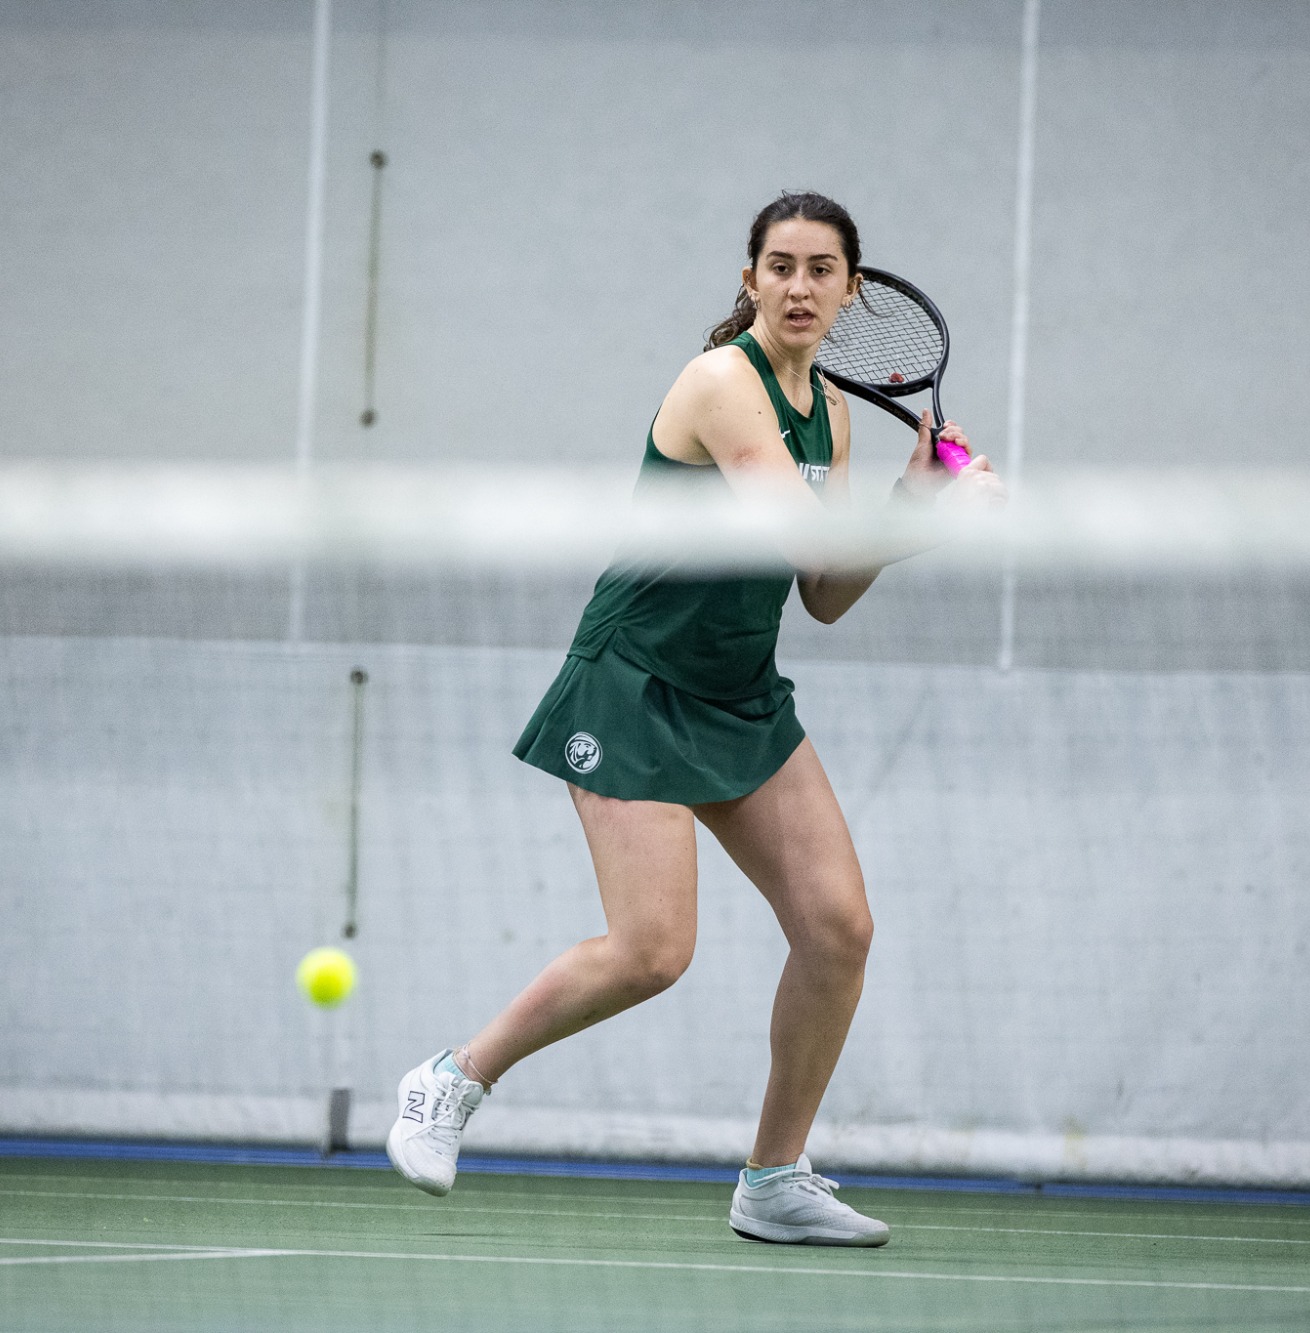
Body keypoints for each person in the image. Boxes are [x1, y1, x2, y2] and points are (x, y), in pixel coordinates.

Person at [386, 192, 1005, 1246]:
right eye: (780, 266)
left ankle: (773, 1178)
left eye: (820, 269)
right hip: (635, 682)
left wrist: (909, 502)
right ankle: (452, 1078)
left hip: (738, 689)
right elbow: (807, 541)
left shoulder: (834, 412)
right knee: (652, 950)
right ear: (749, 279)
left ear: (852, 289)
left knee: (837, 929)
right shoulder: (720, 383)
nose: (799, 287)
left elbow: (823, 594)